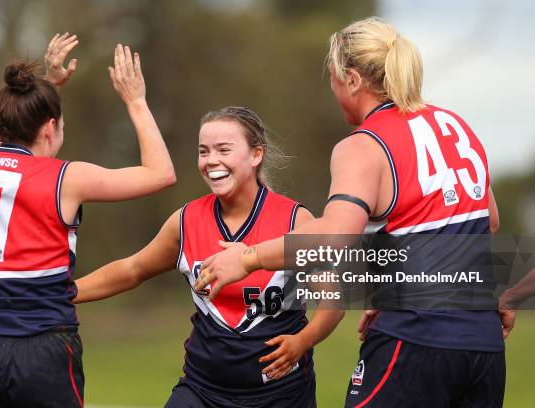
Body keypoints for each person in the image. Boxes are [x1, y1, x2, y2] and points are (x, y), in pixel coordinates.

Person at [196, 17, 509, 407]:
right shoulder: (454, 125)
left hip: (417, 341)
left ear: (351, 79)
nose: (332, 88)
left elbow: (332, 239)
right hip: (484, 347)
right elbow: (487, 222)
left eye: (332, 77)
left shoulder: (364, 145)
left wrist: (247, 258)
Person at [0, 33, 176, 408]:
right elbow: (161, 173)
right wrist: (136, 101)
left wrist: (46, 88)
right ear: (50, 128)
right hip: (44, 351)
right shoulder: (65, 178)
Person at [74, 106, 344, 408]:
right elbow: (133, 269)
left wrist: (302, 342)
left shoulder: (295, 220)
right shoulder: (185, 221)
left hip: (282, 394)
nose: (211, 160)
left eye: (223, 150)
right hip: (202, 391)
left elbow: (334, 303)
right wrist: (62, 293)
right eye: (204, 151)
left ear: (256, 155)